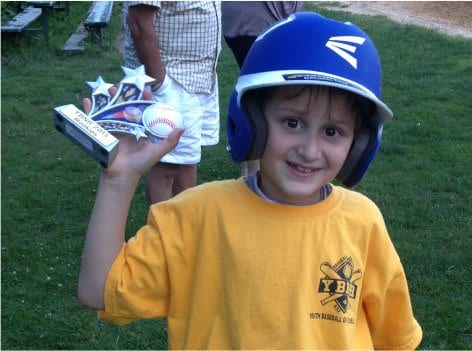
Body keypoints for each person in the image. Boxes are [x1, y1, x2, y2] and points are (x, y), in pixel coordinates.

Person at [78, 12, 422, 349]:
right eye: (292, 123)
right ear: (251, 121)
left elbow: (394, 339)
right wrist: (119, 179)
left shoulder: (363, 222)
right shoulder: (196, 215)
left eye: (333, 131)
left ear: (360, 145)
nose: (310, 150)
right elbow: (99, 291)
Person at [123, 1, 221, 205]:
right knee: (166, 166)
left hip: (198, 77)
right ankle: (162, 233)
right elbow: (138, 22)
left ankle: (184, 229)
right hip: (172, 79)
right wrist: (160, 83)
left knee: (186, 161)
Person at [221, 1, 303, 176]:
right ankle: (254, 171)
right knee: (263, 96)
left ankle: (252, 167)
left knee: (259, 92)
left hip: (250, 20)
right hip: (256, 22)